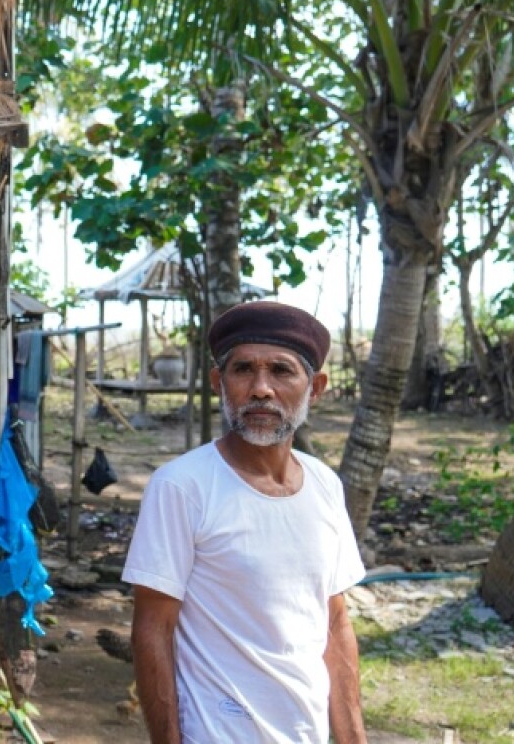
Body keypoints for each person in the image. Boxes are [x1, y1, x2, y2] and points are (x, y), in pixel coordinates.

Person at [122, 300, 367, 744]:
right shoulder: (182, 487)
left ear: (316, 388)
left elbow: (334, 622)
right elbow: (153, 629)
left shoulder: (325, 486)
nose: (261, 389)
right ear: (219, 383)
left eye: (281, 370)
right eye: (243, 370)